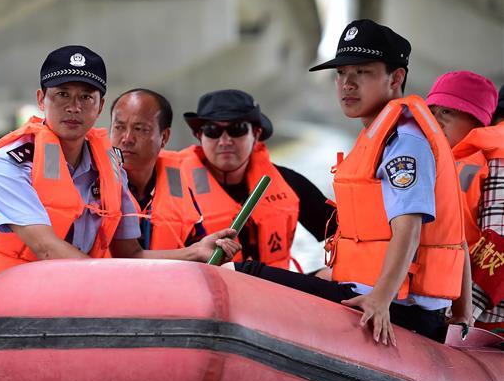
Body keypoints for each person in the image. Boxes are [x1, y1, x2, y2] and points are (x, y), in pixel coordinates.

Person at [237, 19, 469, 346]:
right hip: (374, 291)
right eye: (341, 73)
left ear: (396, 77)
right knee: (300, 278)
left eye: (362, 72)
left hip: (401, 307)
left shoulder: (403, 142)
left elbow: (409, 229)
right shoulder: (380, 134)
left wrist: (381, 300)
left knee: (247, 275)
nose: (347, 84)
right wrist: (462, 313)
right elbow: (454, 239)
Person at [0, 45, 240, 285]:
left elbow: (131, 254)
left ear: (99, 106)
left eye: (86, 97)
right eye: (62, 94)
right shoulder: (9, 166)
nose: (74, 107)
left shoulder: (109, 164)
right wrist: (116, 285)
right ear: (41, 99)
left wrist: (196, 252)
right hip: (8, 304)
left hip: (79, 297)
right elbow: (47, 249)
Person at [179, 89, 336, 270]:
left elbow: (342, 232)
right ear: (199, 136)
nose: (224, 140)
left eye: (237, 129)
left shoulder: (287, 182)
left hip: (272, 293)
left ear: (256, 134)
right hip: (203, 292)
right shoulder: (172, 188)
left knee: (328, 276)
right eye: (212, 130)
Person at [431, 77, 504, 333]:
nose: (435, 120)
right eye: (432, 111)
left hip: (479, 318)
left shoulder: (496, 153)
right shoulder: (450, 159)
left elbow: (500, 241)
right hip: (442, 297)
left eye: (447, 112)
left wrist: (463, 313)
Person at [109, 89, 205, 250]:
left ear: (164, 137)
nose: (127, 139)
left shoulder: (178, 187)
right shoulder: (91, 182)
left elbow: (200, 249)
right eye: (119, 127)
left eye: (140, 129)